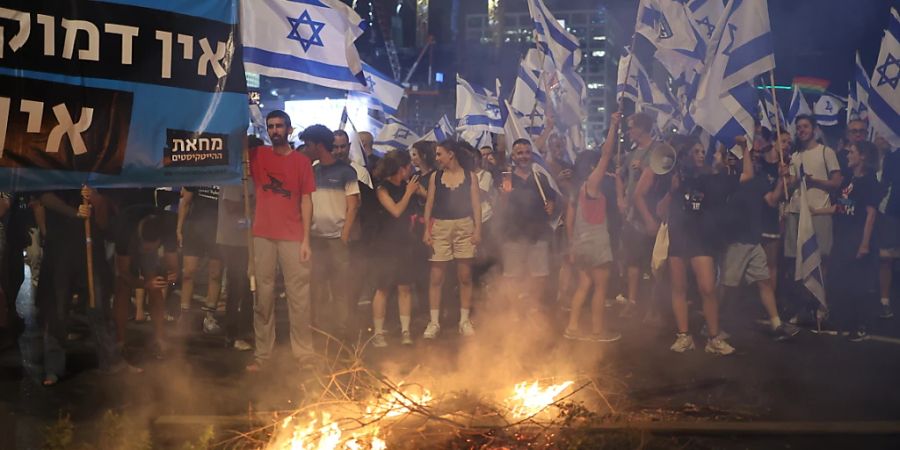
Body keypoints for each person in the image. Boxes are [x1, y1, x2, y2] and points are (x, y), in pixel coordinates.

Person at [35, 188, 139, 385]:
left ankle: (112, 362)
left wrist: (96, 199)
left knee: (99, 307)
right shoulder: (54, 161)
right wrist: (74, 212)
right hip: (59, 252)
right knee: (57, 310)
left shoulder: (95, 169)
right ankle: (53, 368)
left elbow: (104, 221)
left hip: (91, 250)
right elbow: (44, 195)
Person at [246, 110, 316, 372]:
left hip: (293, 236)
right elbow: (236, 145)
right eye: (271, 126)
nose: (275, 130)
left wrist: (306, 240)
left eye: (279, 126)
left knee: (299, 297)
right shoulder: (257, 155)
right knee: (262, 297)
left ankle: (304, 352)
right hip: (262, 234)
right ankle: (263, 353)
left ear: (289, 129)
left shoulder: (301, 162)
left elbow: (306, 200)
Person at [720, 138, 799, 341]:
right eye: (750, 157)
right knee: (728, 286)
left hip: (753, 240)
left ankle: (776, 324)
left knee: (764, 281)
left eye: (755, 157)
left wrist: (781, 180)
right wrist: (745, 147)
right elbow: (745, 174)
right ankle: (713, 322)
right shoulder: (730, 180)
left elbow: (772, 201)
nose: (754, 159)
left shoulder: (760, 180)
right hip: (737, 241)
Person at [665, 138, 736, 355]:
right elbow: (660, 211)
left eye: (702, 151)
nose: (700, 154)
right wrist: (672, 190)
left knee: (707, 288)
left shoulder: (709, 179)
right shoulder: (675, 179)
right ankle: (684, 336)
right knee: (678, 288)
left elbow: (739, 183)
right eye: (696, 151)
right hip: (678, 237)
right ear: (686, 155)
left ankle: (713, 338)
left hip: (700, 239)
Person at [563, 116, 621, 342]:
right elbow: (607, 154)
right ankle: (597, 332)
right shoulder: (592, 184)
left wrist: (572, 247)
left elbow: (569, 221)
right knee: (600, 287)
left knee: (584, 284)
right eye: (596, 164)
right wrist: (614, 126)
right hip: (597, 244)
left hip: (581, 244)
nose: (601, 167)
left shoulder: (576, 189)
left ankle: (572, 327)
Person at [304, 125, 360, 339]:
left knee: (340, 288)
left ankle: (342, 332)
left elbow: (353, 206)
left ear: (319, 145)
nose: (307, 149)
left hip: (337, 240)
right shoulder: (312, 170)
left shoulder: (346, 172)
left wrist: (344, 235)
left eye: (309, 145)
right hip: (316, 240)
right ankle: (318, 330)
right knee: (315, 287)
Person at [422, 140, 482, 339]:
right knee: (436, 277)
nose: (437, 158)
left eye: (440, 154)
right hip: (440, 226)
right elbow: (429, 204)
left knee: (464, 277)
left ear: (451, 154)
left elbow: (476, 205)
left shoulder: (470, 177)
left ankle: (464, 320)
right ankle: (434, 322)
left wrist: (477, 230)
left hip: (464, 226)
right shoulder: (435, 177)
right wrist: (426, 230)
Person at [826, 140, 881, 341]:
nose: (848, 155)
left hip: (858, 238)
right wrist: (816, 211)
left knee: (859, 284)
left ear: (863, 157)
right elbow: (841, 207)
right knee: (842, 281)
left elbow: (870, 215)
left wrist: (864, 244)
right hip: (843, 238)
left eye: (852, 152)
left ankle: (861, 325)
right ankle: (846, 321)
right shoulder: (850, 180)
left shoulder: (870, 182)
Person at [499, 139, 557, 314]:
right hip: (513, 235)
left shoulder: (540, 178)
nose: (524, 156)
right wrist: (504, 196)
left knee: (539, 275)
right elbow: (500, 208)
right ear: (513, 156)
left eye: (527, 152)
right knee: (512, 276)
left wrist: (551, 205)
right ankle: (515, 311)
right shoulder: (506, 178)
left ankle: (533, 307)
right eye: (520, 153)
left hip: (538, 234)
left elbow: (552, 199)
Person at [369, 151, 420, 347]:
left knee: (404, 287)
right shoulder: (383, 188)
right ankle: (379, 333)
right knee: (383, 288)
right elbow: (396, 211)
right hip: (385, 245)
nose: (411, 170)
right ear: (402, 168)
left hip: (405, 243)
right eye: (409, 167)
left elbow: (426, 197)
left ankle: (405, 330)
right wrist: (409, 193)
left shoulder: (408, 186)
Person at [617, 113, 657, 314]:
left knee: (653, 264)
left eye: (631, 127)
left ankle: (653, 306)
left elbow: (664, 174)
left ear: (641, 128)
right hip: (633, 217)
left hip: (652, 214)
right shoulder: (631, 154)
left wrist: (643, 168)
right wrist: (620, 198)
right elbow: (619, 176)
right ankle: (632, 302)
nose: (628, 131)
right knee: (633, 260)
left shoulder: (658, 150)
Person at [176, 186, 224, 333]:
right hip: (194, 228)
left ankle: (209, 317)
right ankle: (184, 316)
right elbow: (185, 201)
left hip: (218, 228)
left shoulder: (227, 171)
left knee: (215, 274)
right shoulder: (200, 167)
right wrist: (179, 228)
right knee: (188, 272)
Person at [217, 183, 254, 351]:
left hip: (246, 240)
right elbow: (230, 205)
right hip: (234, 241)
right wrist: (256, 201)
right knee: (238, 287)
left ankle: (241, 332)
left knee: (246, 287)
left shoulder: (250, 177)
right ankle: (234, 334)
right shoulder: (236, 178)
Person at [875, 134, 900, 319]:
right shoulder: (868, 157)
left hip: (892, 212)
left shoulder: (894, 157)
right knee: (886, 258)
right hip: (885, 213)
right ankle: (884, 301)